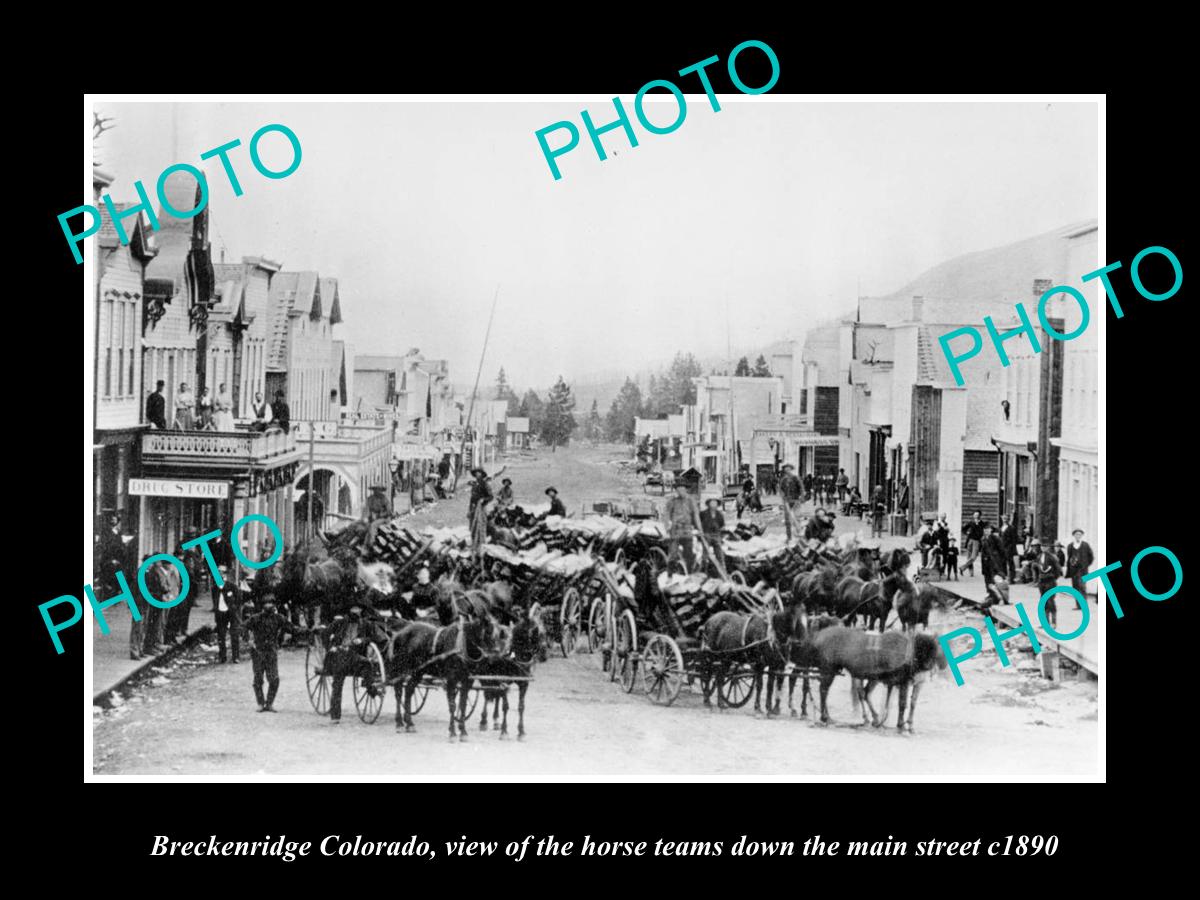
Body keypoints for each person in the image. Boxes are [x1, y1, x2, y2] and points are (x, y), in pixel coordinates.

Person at [242, 596, 302, 712]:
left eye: (272, 604)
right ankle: (260, 703)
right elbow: (243, 627)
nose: (270, 606)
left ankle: (269, 703)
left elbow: (292, 628)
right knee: (258, 679)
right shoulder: (256, 618)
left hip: (271, 652)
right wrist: (248, 640)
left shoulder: (278, 618)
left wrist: (309, 631)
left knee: (274, 679)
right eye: (267, 603)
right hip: (258, 651)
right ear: (263, 606)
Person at [664, 483, 703, 571]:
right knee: (673, 554)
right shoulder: (672, 501)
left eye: (682, 488)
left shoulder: (691, 501)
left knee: (689, 554)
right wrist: (667, 527)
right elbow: (666, 514)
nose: (680, 491)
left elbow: (696, 515)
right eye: (678, 489)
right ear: (676, 490)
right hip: (675, 531)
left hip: (687, 531)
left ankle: (689, 573)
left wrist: (700, 529)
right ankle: (670, 575)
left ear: (686, 489)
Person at [212, 564, 241, 663]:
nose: (220, 574)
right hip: (220, 613)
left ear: (225, 574)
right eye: (218, 572)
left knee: (234, 634)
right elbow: (214, 600)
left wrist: (234, 608)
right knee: (221, 635)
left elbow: (238, 599)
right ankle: (222, 656)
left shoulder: (231, 586)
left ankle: (236, 656)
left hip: (231, 613)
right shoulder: (214, 587)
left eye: (222, 572)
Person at [1036, 542, 1064, 629]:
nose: (1043, 548)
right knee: (1043, 602)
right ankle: (1045, 623)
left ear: (1048, 547)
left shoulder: (1052, 557)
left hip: (1050, 582)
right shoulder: (1039, 556)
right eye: (1042, 546)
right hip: (1042, 582)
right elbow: (1038, 568)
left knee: (1050, 601)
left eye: (1045, 546)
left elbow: (1058, 570)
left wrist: (1053, 578)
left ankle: (1054, 622)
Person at [468, 467, 494, 553]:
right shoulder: (475, 484)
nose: (477, 474)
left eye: (479, 473)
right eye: (476, 473)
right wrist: (469, 510)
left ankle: (481, 545)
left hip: (481, 508)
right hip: (473, 507)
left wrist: (483, 499)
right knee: (472, 526)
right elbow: (472, 498)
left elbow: (491, 496)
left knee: (481, 525)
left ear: (482, 474)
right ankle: (474, 544)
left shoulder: (485, 484)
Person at [698, 498, 726, 573]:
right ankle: (703, 571)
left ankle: (722, 572)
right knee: (705, 555)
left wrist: (719, 534)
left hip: (716, 535)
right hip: (706, 535)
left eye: (715, 503)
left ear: (717, 505)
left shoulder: (720, 515)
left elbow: (722, 525)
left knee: (720, 555)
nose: (714, 504)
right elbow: (698, 523)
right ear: (709, 504)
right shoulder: (703, 513)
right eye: (712, 503)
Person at [777, 464, 803, 542]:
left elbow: (801, 488)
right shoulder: (783, 480)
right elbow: (780, 489)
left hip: (795, 501)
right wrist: (783, 496)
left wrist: (800, 497)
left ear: (791, 470)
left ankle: (799, 536)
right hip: (787, 501)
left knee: (796, 518)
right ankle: (789, 537)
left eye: (788, 469)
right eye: (786, 470)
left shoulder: (796, 478)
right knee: (787, 520)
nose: (787, 471)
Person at [1066, 528, 1094, 597]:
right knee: (1075, 587)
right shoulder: (1070, 546)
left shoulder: (1085, 545)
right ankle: (1078, 605)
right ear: (1074, 535)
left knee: (1082, 587)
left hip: (1083, 570)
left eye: (1079, 534)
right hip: (1073, 570)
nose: (1078, 536)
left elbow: (1091, 557)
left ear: (1082, 536)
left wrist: (1086, 564)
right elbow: (1069, 557)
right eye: (1076, 534)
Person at [981, 523, 1006, 589]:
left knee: (994, 578)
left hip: (994, 562)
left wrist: (998, 559)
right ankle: (989, 593)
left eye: (988, 529)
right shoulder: (983, 539)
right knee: (987, 579)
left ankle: (996, 594)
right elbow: (983, 551)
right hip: (986, 562)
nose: (986, 530)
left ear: (991, 530)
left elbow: (1002, 550)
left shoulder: (995, 538)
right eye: (985, 529)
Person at [960, 511, 985, 576]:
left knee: (973, 557)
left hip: (976, 541)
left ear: (979, 516)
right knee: (969, 557)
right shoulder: (971, 523)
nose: (976, 516)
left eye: (977, 515)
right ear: (973, 516)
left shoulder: (981, 523)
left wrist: (977, 524)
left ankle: (962, 567)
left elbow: (981, 532)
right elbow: (963, 529)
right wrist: (967, 533)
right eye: (975, 515)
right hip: (970, 540)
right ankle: (971, 573)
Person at [1000, 515, 1019, 581]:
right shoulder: (1002, 527)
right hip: (1002, 547)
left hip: (1009, 547)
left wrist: (1012, 548)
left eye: (1006, 518)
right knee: (1002, 562)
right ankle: (1004, 576)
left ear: (1008, 519)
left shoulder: (1011, 528)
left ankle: (1011, 578)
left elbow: (1014, 539)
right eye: (1003, 518)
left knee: (1010, 562)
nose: (1005, 520)